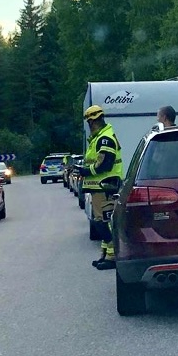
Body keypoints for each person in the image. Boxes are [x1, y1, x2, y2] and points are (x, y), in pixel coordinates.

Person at [77, 104, 123, 270]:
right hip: (100, 187)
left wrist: (85, 171)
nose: (90, 126)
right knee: (101, 221)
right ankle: (105, 254)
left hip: (105, 187)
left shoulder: (105, 138)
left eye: (90, 122)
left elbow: (105, 164)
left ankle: (112, 256)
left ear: (93, 121)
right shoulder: (99, 137)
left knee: (102, 223)